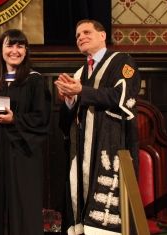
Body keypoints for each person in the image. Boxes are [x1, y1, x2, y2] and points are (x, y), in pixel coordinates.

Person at [54, 19, 140, 235]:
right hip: (82, 150)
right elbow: (65, 124)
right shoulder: (78, 73)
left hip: (110, 144)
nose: (80, 37)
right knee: (79, 201)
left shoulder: (122, 61)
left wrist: (81, 91)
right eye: (77, 36)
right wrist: (68, 100)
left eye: (86, 32)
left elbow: (121, 96)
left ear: (103, 35)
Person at [0, 29, 49, 235]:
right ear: (1, 50)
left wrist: (15, 118)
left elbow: (42, 118)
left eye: (20, 46)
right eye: (10, 45)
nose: (15, 51)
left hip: (23, 155)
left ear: (26, 51)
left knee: (24, 206)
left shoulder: (34, 81)